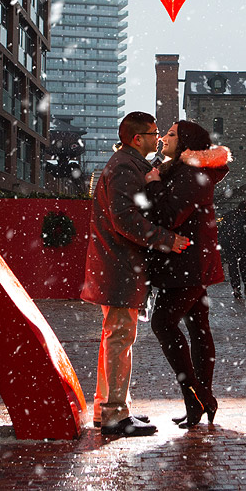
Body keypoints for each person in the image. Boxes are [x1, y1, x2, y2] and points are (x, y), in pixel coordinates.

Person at [81, 111, 190, 437]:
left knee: (114, 337)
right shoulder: (125, 168)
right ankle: (114, 415)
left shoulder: (125, 166)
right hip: (120, 268)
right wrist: (167, 240)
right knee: (119, 339)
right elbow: (125, 220)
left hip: (117, 266)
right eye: (154, 133)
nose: (158, 138)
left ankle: (110, 408)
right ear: (137, 138)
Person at [144, 120, 229, 428]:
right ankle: (200, 400)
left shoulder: (190, 172)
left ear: (185, 143)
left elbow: (170, 215)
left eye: (170, 134)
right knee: (198, 329)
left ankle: (197, 396)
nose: (163, 138)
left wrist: (153, 183)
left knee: (163, 323)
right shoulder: (183, 169)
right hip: (189, 263)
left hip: (186, 265)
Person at [221, 208, 246, 305]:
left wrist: (225, 245)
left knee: (233, 267)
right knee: (244, 266)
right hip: (243, 246)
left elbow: (222, 233)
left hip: (231, 246)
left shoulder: (228, 217)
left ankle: (236, 287)